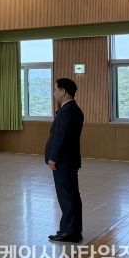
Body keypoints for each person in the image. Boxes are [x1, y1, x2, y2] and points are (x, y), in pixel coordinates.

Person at [46, 78, 84, 243]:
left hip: (63, 161)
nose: (54, 93)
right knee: (72, 195)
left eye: (55, 90)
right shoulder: (73, 109)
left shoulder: (67, 111)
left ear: (63, 92)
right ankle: (74, 230)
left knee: (66, 196)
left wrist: (53, 158)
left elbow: (61, 137)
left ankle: (69, 232)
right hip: (69, 160)